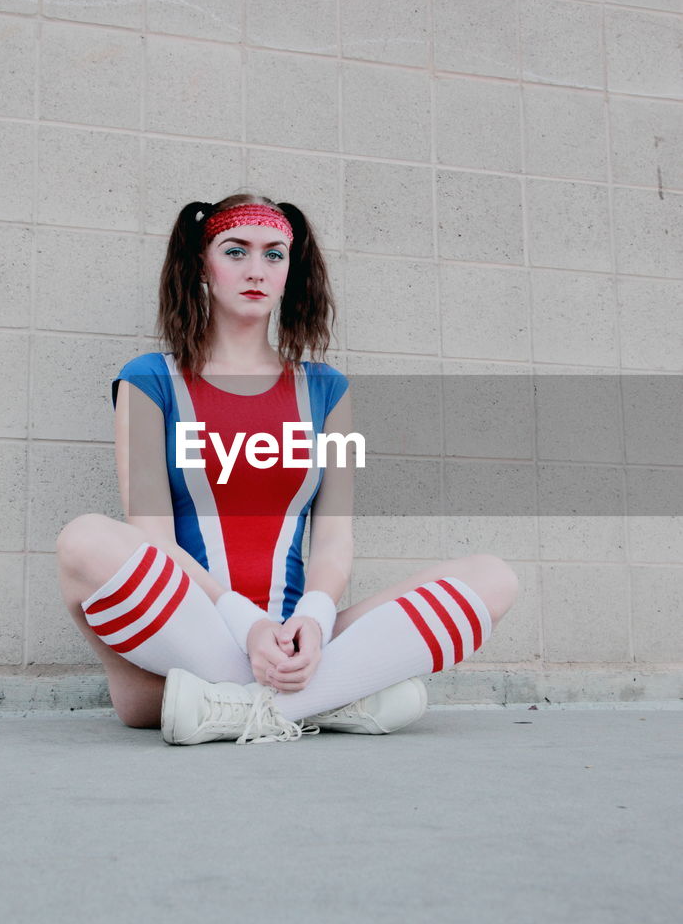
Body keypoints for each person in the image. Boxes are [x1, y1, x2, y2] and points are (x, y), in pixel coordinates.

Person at [56, 194, 519, 745]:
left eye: (274, 255)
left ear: (289, 272)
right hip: (187, 634)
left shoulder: (331, 391)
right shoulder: (147, 380)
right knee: (83, 540)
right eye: (236, 252)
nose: (257, 270)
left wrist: (316, 622)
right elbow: (152, 539)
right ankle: (330, 699)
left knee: (495, 577)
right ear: (203, 265)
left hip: (298, 635)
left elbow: (333, 540)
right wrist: (246, 626)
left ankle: (240, 707)